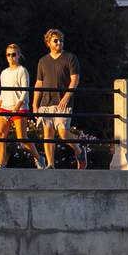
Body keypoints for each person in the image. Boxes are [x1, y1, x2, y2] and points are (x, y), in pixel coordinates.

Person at [34, 28, 80, 169]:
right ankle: (50, 164)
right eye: (55, 40)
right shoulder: (42, 61)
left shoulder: (70, 58)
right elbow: (39, 83)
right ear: (48, 42)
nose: (59, 42)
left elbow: (75, 80)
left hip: (62, 102)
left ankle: (79, 149)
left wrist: (66, 97)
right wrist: (35, 104)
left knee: (62, 132)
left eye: (61, 40)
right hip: (46, 102)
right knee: (48, 133)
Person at [0, 43, 42, 168]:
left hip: (19, 107)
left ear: (19, 55)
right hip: (5, 106)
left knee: (22, 138)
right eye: (8, 55)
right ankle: (1, 164)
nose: (11, 57)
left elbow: (25, 91)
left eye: (13, 54)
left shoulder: (22, 71)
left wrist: (15, 109)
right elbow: (3, 91)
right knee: (0, 135)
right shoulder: (4, 73)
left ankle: (38, 158)